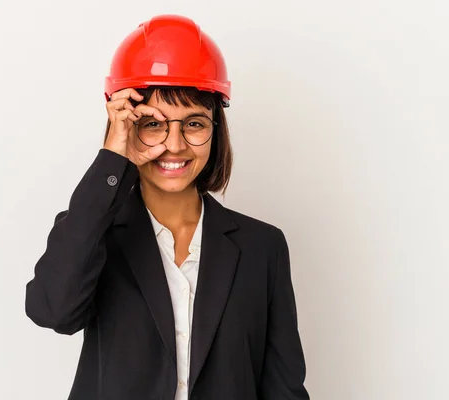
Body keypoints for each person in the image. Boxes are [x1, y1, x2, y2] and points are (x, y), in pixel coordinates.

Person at [25, 14, 310, 400]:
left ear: (215, 130)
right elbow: (52, 310)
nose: (174, 145)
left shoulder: (263, 247)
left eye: (194, 124)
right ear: (126, 126)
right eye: (153, 124)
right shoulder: (93, 233)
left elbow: (283, 387)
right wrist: (113, 158)